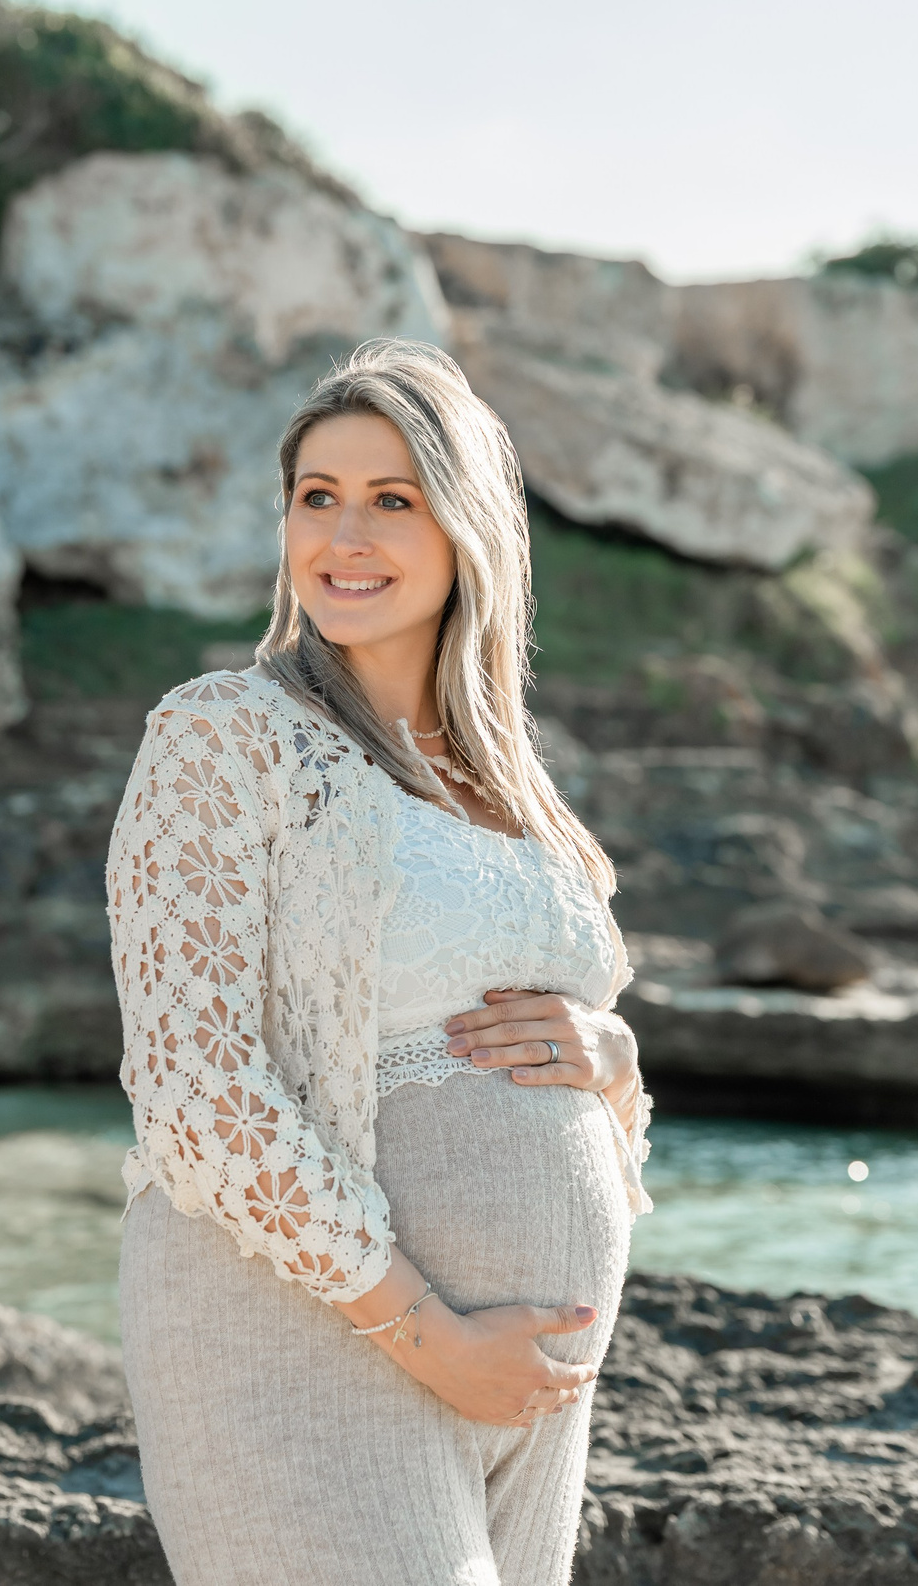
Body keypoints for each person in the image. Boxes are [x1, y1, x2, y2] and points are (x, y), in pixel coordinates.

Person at [110, 338, 652, 1585]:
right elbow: (193, 1092)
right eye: (318, 498)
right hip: (306, 1334)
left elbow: (576, 1048)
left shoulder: (513, 784)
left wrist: (610, 1055)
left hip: (524, 1379)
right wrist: (424, 1330)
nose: (343, 535)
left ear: (468, 529)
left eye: (390, 500)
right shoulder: (226, 737)